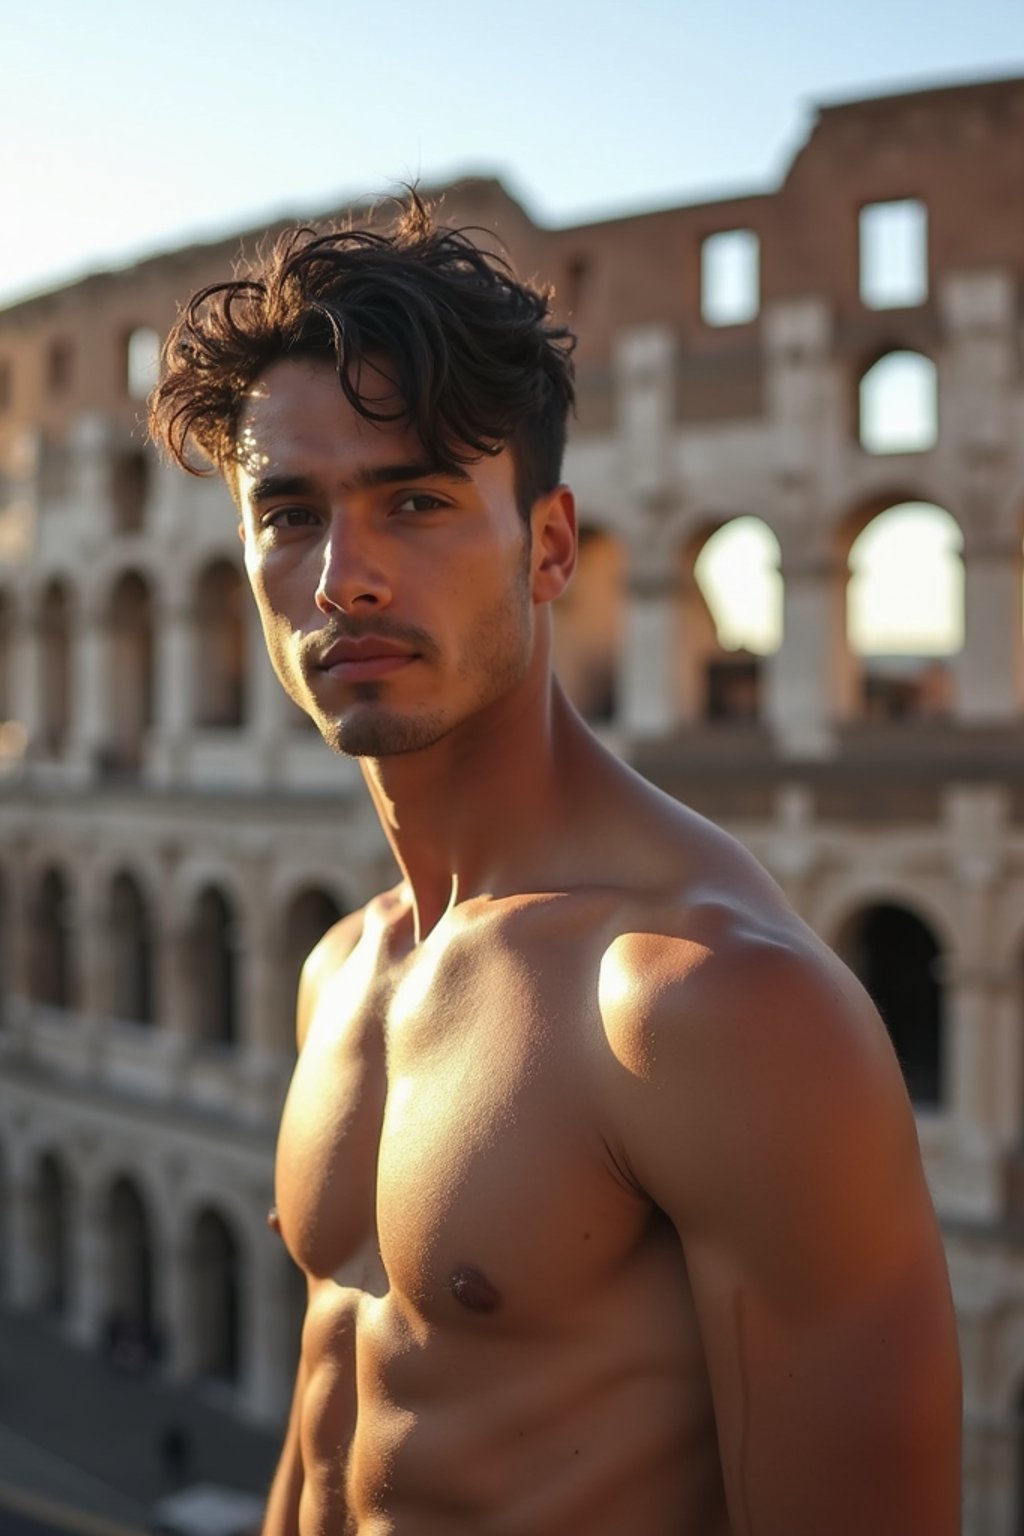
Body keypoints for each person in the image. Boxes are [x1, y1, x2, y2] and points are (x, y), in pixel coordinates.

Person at [149, 193, 962, 1536]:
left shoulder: (710, 1007)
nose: (344, 575)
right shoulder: (343, 968)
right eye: (289, 515)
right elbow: (321, 1447)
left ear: (549, 545)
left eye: (414, 499)